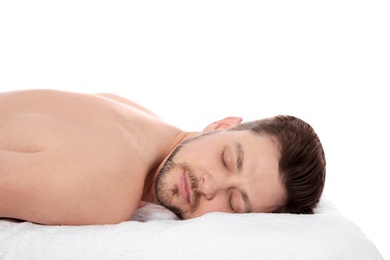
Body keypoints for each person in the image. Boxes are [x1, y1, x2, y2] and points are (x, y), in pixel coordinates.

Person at [0, 89, 326, 225]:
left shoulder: (137, 115)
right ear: (222, 125)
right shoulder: (109, 189)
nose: (210, 186)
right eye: (227, 159)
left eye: (235, 202)